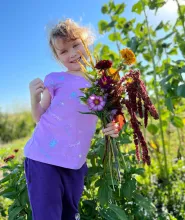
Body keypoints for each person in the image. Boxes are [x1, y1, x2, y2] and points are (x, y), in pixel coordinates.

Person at [24, 18, 120, 220]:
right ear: (57, 57)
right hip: (42, 158)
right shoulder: (54, 78)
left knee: (69, 215)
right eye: (64, 51)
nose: (72, 53)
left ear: (87, 41)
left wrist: (116, 124)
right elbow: (39, 116)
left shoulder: (101, 82)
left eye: (76, 44)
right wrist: (34, 98)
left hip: (75, 164)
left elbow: (115, 112)